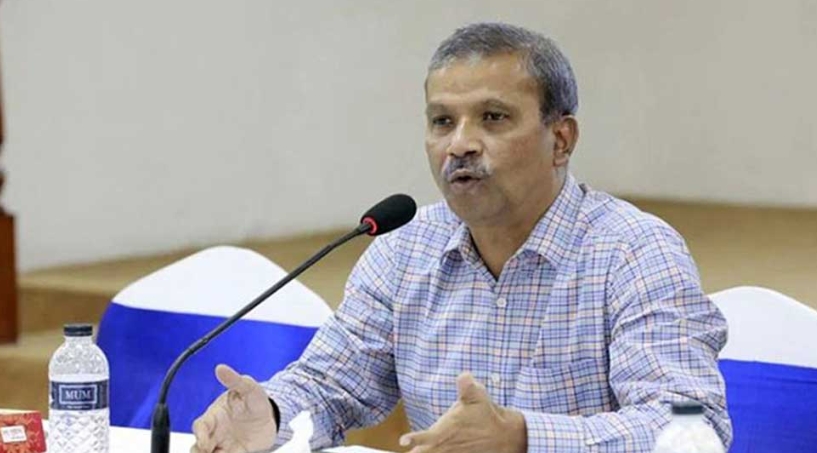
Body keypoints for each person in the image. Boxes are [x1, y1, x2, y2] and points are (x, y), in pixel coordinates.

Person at [191, 22, 732, 453]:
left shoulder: (634, 252)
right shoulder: (405, 248)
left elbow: (691, 428)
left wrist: (523, 438)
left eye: (493, 118)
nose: (460, 145)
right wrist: (272, 415)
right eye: (442, 122)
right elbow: (331, 384)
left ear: (561, 139)